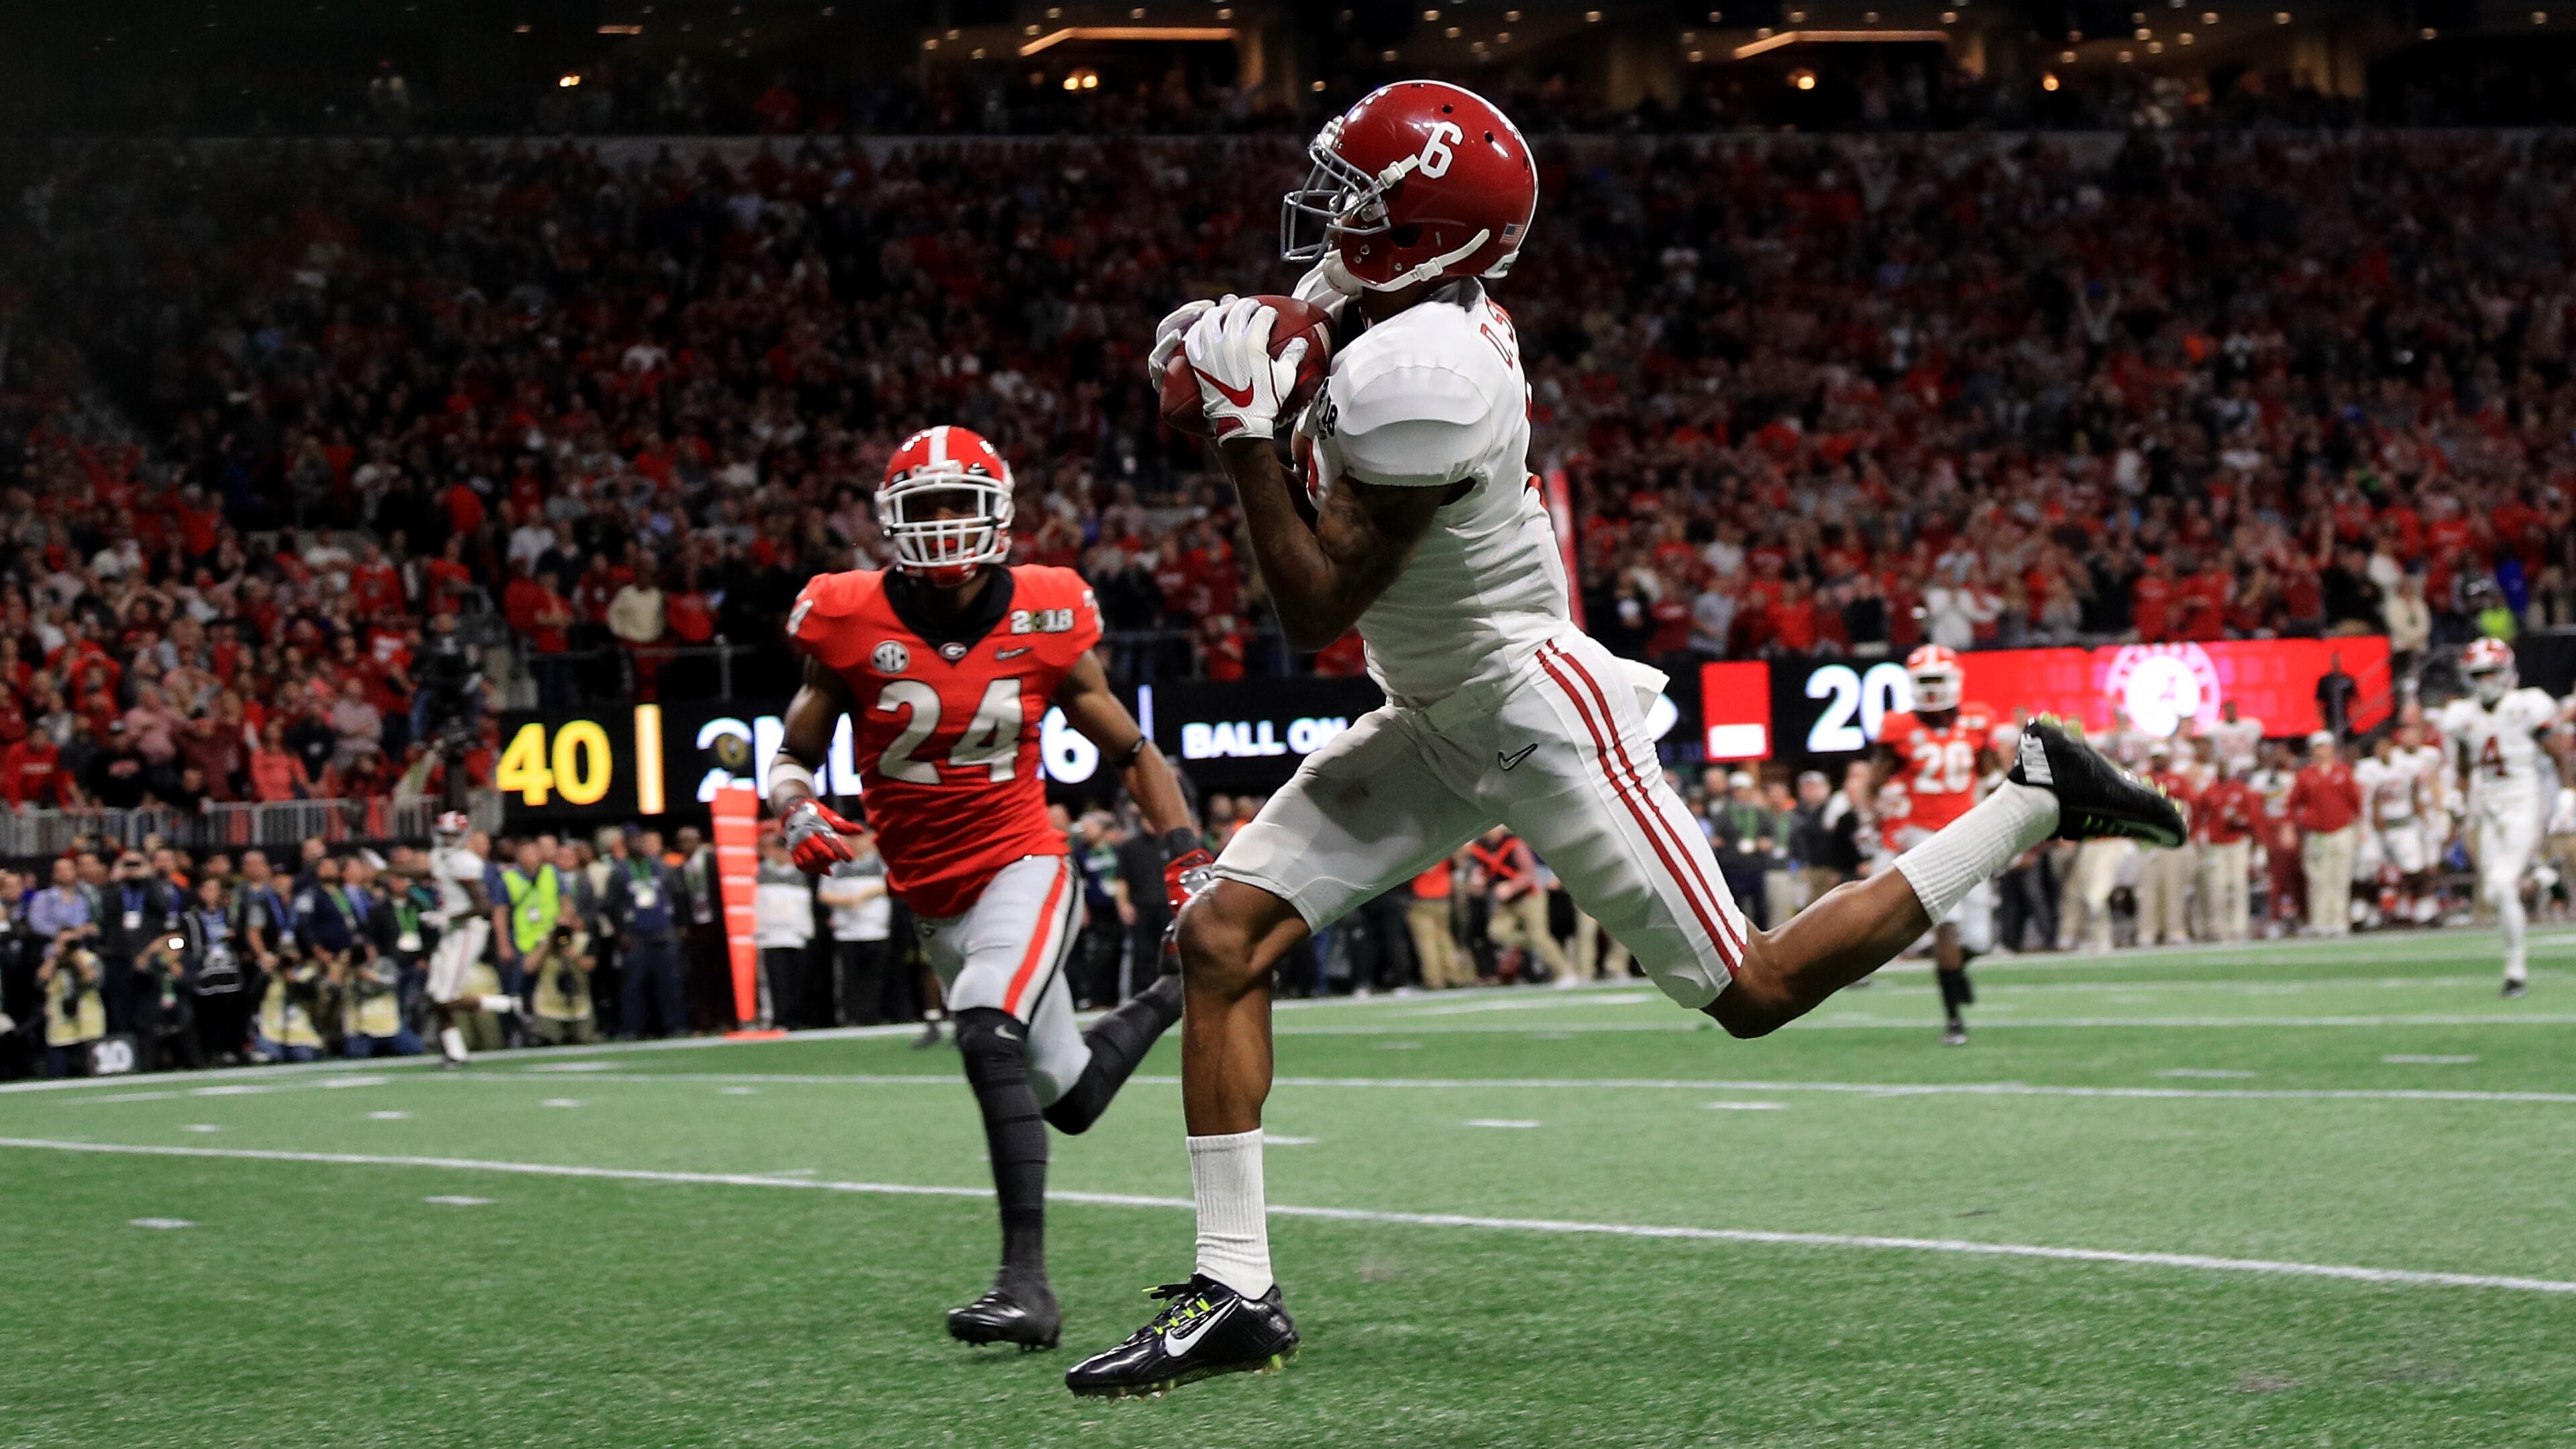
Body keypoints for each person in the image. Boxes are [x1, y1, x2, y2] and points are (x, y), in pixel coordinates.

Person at [1065, 80, 2182, 1399]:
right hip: (1435, 709)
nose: (1330, 217)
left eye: (1366, 203)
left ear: (1434, 237)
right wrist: (1213, 350)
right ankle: (1235, 1290)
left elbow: (1314, 604)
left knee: (1752, 994)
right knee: (1220, 938)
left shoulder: (1429, 374)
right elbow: (1272, 347)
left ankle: (2037, 797)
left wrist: (1244, 435)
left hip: (1529, 704)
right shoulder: (1401, 304)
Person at [769, 421, 1209, 1352]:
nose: (939, 525)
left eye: (956, 505)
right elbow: (795, 756)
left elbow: (1129, 747)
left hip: (1025, 861)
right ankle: (1173, 995)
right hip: (932, 894)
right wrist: (797, 811)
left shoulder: (1048, 612)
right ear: (890, 520)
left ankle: (1026, 1288)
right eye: (921, 508)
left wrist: (1183, 853)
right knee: (1071, 1097)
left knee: (983, 1027)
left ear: (997, 515)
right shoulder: (845, 616)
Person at [2435, 639, 2575, 994]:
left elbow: (2560, 754)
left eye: (2491, 673)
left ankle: (2516, 972)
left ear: (2508, 673)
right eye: (2478, 675)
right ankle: (2544, 877)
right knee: (2499, 893)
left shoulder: (2526, 706)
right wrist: (2459, 799)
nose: (2485, 681)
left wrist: (2567, 794)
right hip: (2490, 805)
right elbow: (2466, 764)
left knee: (2500, 885)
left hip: (2525, 801)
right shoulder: (2462, 716)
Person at [1872, 646, 1998, 1043]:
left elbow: (1992, 775)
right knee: (1950, 923)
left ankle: (1957, 971)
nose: (1930, 690)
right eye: (1923, 682)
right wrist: (1882, 808)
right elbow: (1877, 780)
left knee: (1979, 939)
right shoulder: (1898, 727)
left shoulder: (1978, 721)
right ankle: (1954, 1019)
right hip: (1925, 834)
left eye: (1936, 681)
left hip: (1971, 830)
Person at [424, 813, 518, 1066]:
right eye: (445, 834)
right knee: (435, 996)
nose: (448, 839)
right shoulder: (440, 858)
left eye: (452, 834)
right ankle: (455, 1053)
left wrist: (448, 916)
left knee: (445, 997)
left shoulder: (465, 862)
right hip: (451, 931)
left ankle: (506, 1004)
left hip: (466, 930)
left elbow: (483, 905)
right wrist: (385, 870)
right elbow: (421, 869)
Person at [606, 827, 690, 1038]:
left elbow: (679, 896)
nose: (637, 845)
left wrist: (681, 924)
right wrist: (622, 931)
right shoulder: (620, 872)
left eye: (639, 841)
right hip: (635, 935)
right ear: (625, 844)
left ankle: (675, 1025)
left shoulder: (662, 868)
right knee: (633, 986)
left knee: (670, 983)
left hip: (663, 931)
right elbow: (612, 905)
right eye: (632, 841)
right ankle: (634, 1028)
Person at [817, 824, 895, 1026]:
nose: (857, 842)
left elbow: (893, 883)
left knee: (875, 976)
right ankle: (852, 1016)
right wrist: (846, 900)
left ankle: (873, 1015)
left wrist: (865, 894)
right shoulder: (836, 864)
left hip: (877, 929)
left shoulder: (881, 862)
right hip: (847, 931)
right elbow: (824, 893)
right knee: (850, 978)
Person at [2288, 733, 2363, 938]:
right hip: (2317, 833)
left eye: (2325, 747)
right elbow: (2293, 803)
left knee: (2340, 877)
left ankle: (2339, 921)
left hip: (2341, 830)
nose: (2322, 751)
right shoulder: (2306, 776)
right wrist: (2295, 826)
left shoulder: (2344, 772)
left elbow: (2355, 802)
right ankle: (2319, 921)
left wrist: (2360, 828)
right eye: (2318, 747)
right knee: (2318, 879)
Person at [2193, 758, 2259, 943]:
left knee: (2238, 885)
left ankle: (2239, 926)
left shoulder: (2241, 790)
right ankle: (2219, 927)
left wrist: (2240, 820)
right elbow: (2198, 818)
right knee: (2218, 887)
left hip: (2237, 842)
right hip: (2216, 846)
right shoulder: (2209, 792)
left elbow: (2253, 818)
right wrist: (2200, 836)